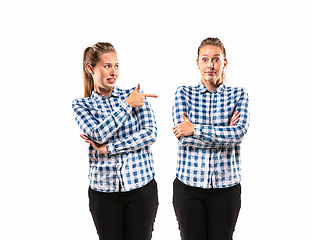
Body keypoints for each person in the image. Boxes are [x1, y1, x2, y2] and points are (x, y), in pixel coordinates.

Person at [72, 42, 159, 240]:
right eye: (107, 66)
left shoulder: (134, 94)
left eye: (117, 66)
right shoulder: (81, 105)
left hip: (141, 188)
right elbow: (97, 134)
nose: (113, 72)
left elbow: (150, 134)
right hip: (104, 193)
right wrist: (127, 105)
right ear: (90, 69)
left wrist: (109, 148)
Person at [172, 37, 250, 240]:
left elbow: (239, 133)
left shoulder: (239, 94)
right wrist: (225, 132)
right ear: (197, 63)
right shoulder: (184, 93)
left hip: (226, 188)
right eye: (205, 59)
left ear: (225, 62)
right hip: (188, 187)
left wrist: (194, 129)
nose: (210, 65)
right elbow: (183, 139)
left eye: (216, 59)